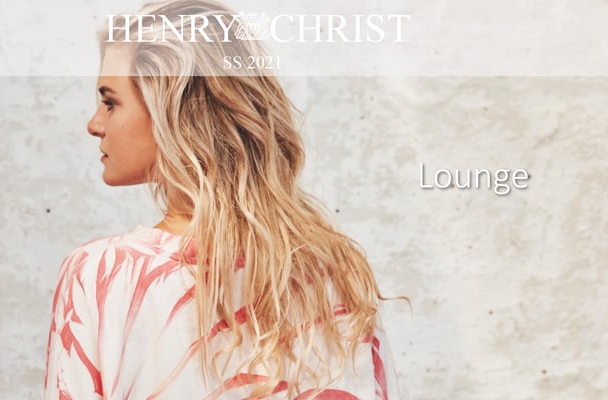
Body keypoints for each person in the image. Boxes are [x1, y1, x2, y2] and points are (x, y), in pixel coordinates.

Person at [43, 1, 401, 399]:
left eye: (111, 102)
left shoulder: (101, 275)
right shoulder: (333, 274)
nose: (94, 124)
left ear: (173, 110)